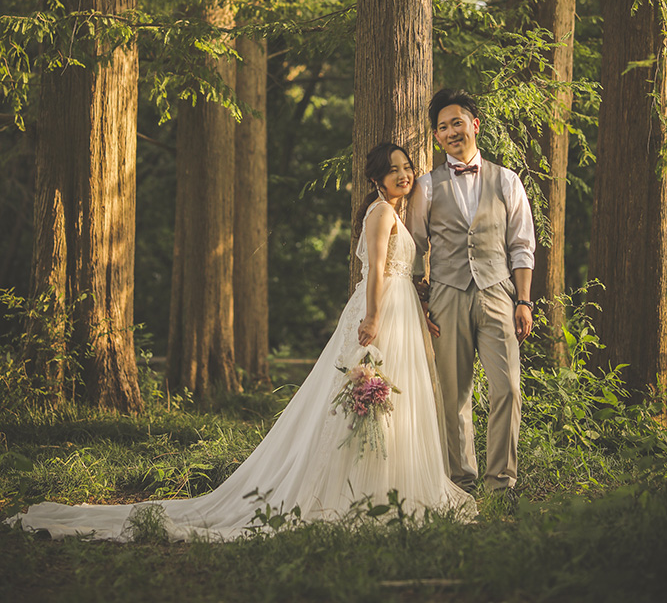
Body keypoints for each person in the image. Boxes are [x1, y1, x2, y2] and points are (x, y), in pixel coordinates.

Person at [9, 142, 475, 541]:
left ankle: (389, 483)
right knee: (364, 398)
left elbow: (396, 270)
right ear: (376, 180)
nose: (403, 174)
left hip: (399, 309)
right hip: (380, 312)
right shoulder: (379, 213)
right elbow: (375, 269)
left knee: (395, 402)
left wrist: (415, 298)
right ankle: (354, 489)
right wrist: (372, 317)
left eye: (406, 167)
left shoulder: (395, 213)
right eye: (392, 169)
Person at [406, 89, 535, 494]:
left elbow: (522, 245)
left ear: (474, 125)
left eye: (457, 123)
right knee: (453, 394)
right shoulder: (426, 186)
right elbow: (414, 246)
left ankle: (501, 483)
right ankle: (461, 483)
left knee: (508, 388)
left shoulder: (507, 180)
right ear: (436, 137)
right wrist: (421, 299)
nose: (450, 132)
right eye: (442, 127)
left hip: (498, 292)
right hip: (446, 295)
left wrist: (524, 300)